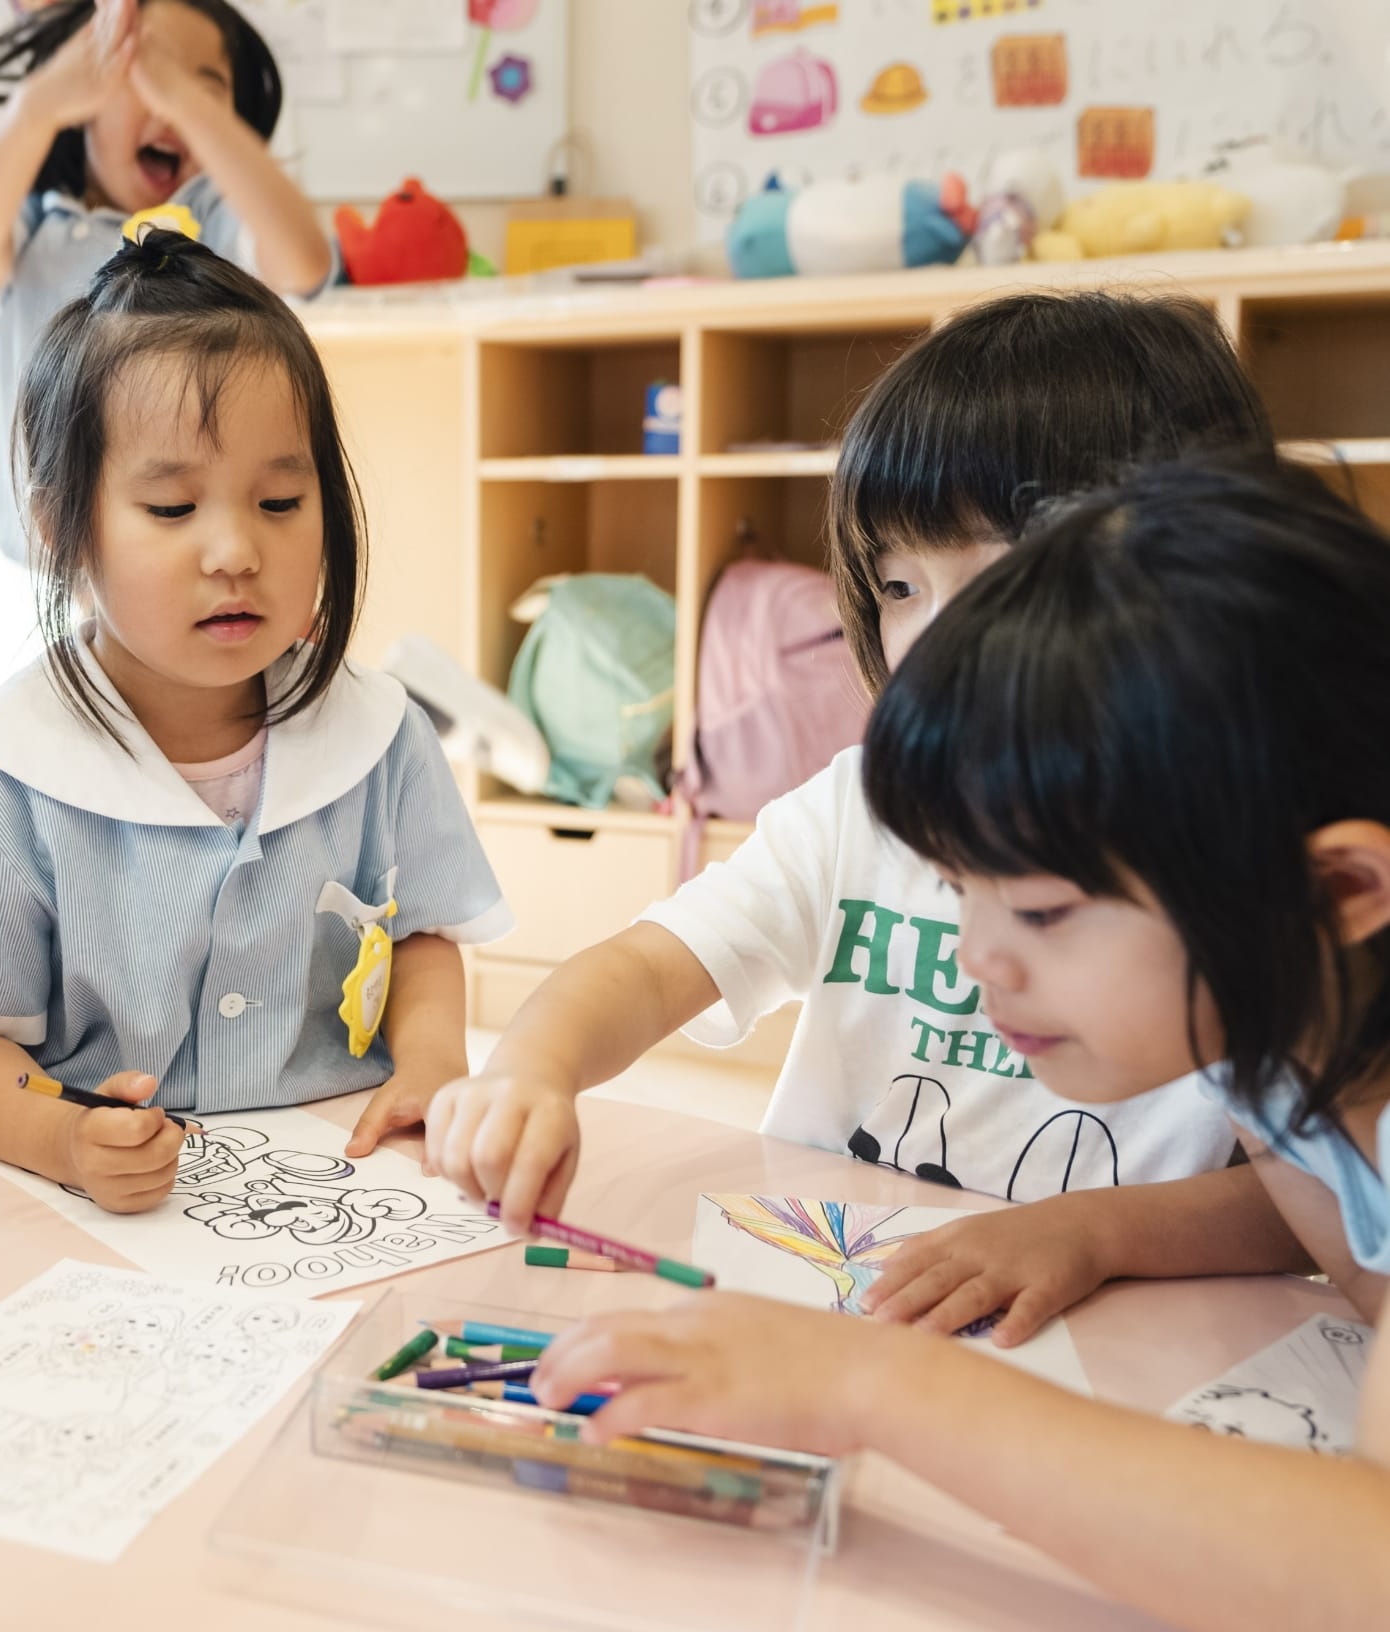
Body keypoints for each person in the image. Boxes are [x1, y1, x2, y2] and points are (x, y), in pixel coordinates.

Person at [532, 459, 1390, 1632]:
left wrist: (873, 1385)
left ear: (1340, 885)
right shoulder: (1284, 1033)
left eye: (1039, 911)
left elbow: (1360, 1563)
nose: (978, 956)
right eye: (953, 888)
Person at [428, 290, 1306, 1344]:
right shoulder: (853, 812)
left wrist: (1088, 1235)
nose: (934, 635)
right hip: (829, 1303)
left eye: (1000, 570)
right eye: (896, 583)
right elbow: (647, 967)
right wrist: (533, 1066)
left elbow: (1313, 1203)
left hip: (1107, 1333)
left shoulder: (1239, 853)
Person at [0, 229, 505, 1206]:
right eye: (169, 509)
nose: (235, 550)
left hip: (330, 1185)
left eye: (280, 501)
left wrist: (428, 1063)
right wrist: (66, 1138)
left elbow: (421, 939)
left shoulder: (380, 733)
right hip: (71, 1206)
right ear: (60, 530)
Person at [0, 0, 330, 564]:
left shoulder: (220, 218)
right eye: (139, 75)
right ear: (83, 103)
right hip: (61, 552)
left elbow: (303, 262)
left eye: (203, 85)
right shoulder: (36, 224)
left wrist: (188, 103)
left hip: (205, 545)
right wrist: (37, 104)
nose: (166, 101)